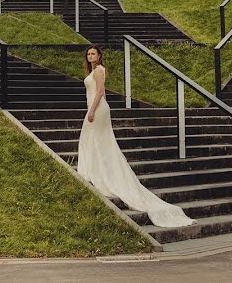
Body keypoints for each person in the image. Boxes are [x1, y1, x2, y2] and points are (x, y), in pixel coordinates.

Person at [77, 45, 194, 228]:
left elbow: (100, 92)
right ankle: (95, 170)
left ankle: (97, 172)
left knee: (94, 140)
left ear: (99, 56)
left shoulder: (99, 70)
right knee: (94, 141)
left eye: (93, 53)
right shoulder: (93, 71)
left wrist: (92, 111)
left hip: (97, 109)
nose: (90, 56)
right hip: (97, 108)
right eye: (89, 54)